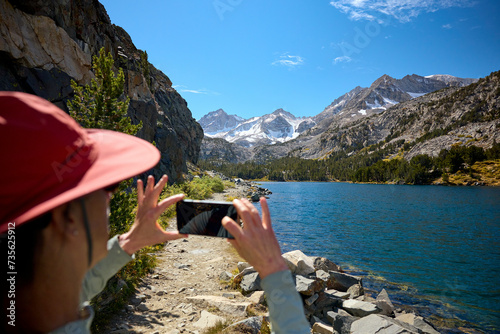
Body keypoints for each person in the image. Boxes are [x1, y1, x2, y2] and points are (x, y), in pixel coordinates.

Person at [0, 92, 310, 333]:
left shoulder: (25, 305)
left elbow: (78, 286)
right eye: (104, 188)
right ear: (66, 220)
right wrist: (273, 271)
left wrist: (130, 242)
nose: (113, 194)